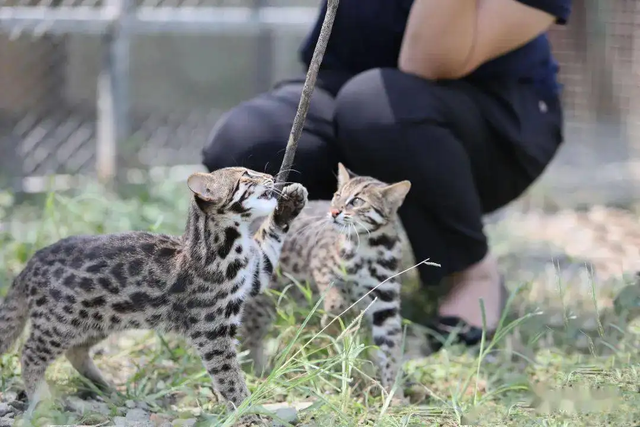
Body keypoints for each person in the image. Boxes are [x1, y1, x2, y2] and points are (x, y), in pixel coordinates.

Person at [202, 0, 571, 350]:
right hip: (344, 87)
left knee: (376, 108)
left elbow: (426, 60)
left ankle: (472, 269)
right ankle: (295, 265)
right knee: (244, 143)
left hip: (487, 121)